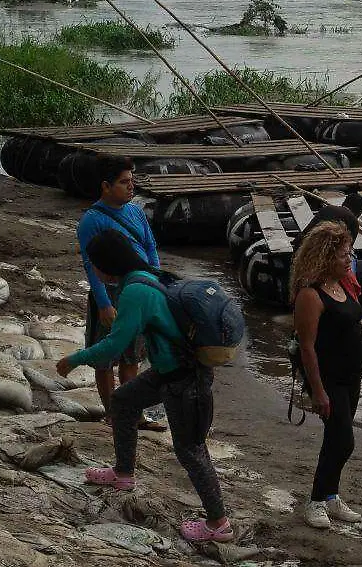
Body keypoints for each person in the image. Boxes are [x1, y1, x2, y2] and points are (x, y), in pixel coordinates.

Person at [55, 231, 232, 542]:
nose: (92, 271)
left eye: (93, 265)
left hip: (184, 379)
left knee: (190, 450)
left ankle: (218, 524)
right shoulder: (149, 275)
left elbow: (114, 346)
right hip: (168, 372)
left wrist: (75, 359)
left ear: (106, 265)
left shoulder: (135, 292)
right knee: (123, 401)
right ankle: (123, 473)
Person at [291, 222, 362, 529]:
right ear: (326, 257)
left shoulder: (343, 284)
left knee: (335, 439)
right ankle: (315, 502)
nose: (348, 259)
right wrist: (318, 391)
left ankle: (331, 497)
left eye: (349, 253)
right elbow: (307, 347)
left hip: (352, 377)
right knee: (343, 441)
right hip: (330, 379)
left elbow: (349, 319)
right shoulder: (310, 295)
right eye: (343, 254)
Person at [76, 155, 165, 430]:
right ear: (106, 186)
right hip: (110, 293)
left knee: (132, 356)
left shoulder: (135, 212)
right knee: (105, 359)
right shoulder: (91, 221)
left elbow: (150, 247)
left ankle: (133, 413)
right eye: (124, 182)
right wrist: (103, 303)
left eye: (132, 181)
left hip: (138, 289)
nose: (131, 187)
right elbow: (91, 266)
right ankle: (112, 413)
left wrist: (154, 280)